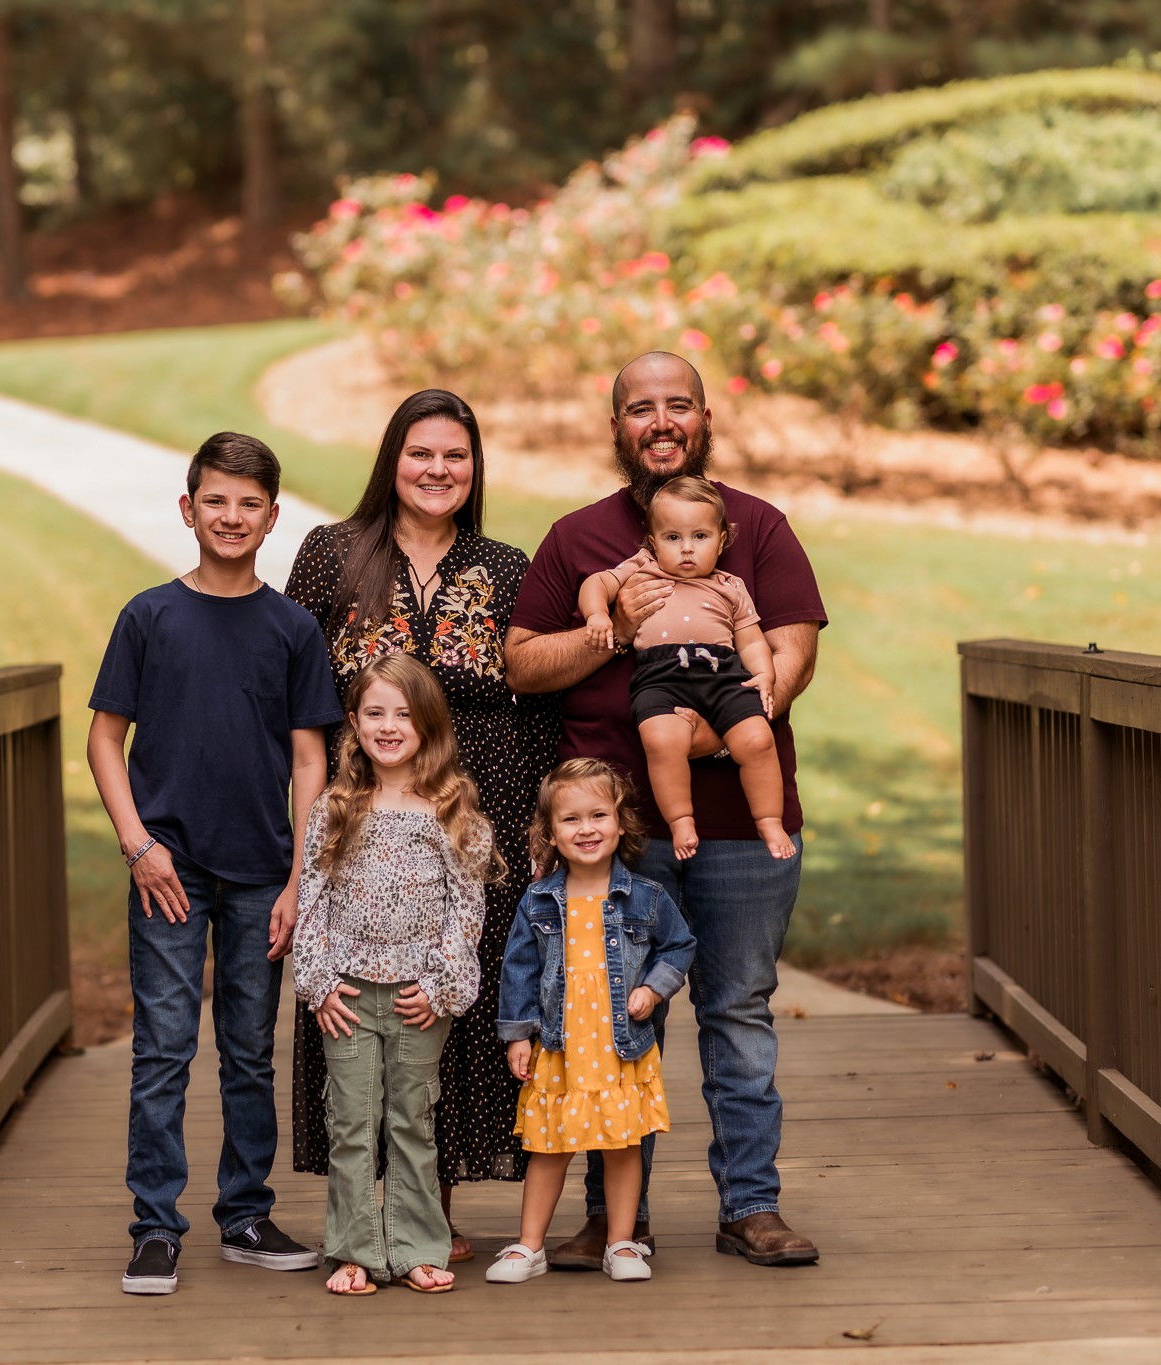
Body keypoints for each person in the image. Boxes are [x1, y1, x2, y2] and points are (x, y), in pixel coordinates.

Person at [505, 351, 828, 1270]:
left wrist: (707, 738)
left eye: (676, 405)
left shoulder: (754, 528)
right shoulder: (577, 539)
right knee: (603, 1013)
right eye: (639, 407)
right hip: (610, 839)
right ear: (615, 427)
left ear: (704, 418)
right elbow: (522, 662)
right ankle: (622, 1219)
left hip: (737, 821)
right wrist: (603, 628)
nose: (659, 420)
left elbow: (793, 655)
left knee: (737, 1006)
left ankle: (751, 1205)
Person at [283, 388, 559, 1261]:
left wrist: (545, 815)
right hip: (360, 808)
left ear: (475, 468)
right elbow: (294, 699)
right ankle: (361, 1218)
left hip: (483, 801)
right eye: (420, 454)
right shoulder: (332, 554)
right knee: (360, 1004)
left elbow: (541, 698)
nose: (438, 471)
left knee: (452, 986)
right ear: (390, 460)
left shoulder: (507, 565)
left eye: (456, 456)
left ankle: (425, 1212)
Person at [87, 432, 341, 1296]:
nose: (231, 516)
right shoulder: (149, 616)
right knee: (162, 1047)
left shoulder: (292, 627)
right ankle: (155, 1225)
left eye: (250, 503)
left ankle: (246, 1214)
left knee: (248, 1051)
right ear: (188, 508)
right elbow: (103, 738)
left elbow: (310, 759)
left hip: (263, 869)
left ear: (272, 517)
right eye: (216, 500)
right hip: (169, 868)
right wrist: (138, 844)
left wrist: (302, 877)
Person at [292, 655, 500, 1295]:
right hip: (348, 996)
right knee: (351, 1123)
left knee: (412, 1121)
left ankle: (416, 1248)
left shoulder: (452, 810)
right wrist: (318, 983)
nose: (388, 727)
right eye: (374, 713)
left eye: (403, 715)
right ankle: (353, 1251)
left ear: (428, 725)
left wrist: (443, 988)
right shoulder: (335, 807)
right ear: (353, 723)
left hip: (419, 998)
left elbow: (467, 910)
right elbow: (311, 903)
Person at [486, 759, 694, 1285]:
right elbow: (519, 968)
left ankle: (621, 1243)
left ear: (620, 823)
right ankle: (529, 1246)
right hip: (559, 1044)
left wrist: (652, 988)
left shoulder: (646, 896)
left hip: (620, 1043)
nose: (586, 829)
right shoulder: (538, 900)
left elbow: (680, 945)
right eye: (571, 819)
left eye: (598, 815)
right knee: (549, 1144)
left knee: (623, 1145)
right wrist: (518, 1035)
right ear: (549, 834)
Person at [578, 474, 793, 862]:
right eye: (673, 538)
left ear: (722, 540)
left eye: (700, 536)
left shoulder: (730, 585)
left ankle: (768, 819)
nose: (687, 549)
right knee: (663, 741)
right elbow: (597, 582)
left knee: (758, 739)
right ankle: (681, 820)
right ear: (652, 542)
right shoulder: (642, 568)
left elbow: (751, 639)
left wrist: (763, 674)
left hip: (723, 674)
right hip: (660, 676)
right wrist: (597, 615)